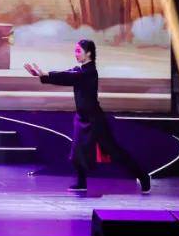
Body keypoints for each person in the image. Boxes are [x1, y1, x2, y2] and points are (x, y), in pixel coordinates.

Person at [24, 39, 151, 193]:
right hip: (81, 118)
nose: (76, 54)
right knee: (77, 152)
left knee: (114, 151)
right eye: (75, 51)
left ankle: (143, 176)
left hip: (95, 119)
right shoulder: (79, 70)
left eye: (79, 51)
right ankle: (82, 183)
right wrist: (42, 75)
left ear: (89, 53)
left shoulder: (89, 72)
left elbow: (69, 77)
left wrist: (46, 74)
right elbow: (66, 75)